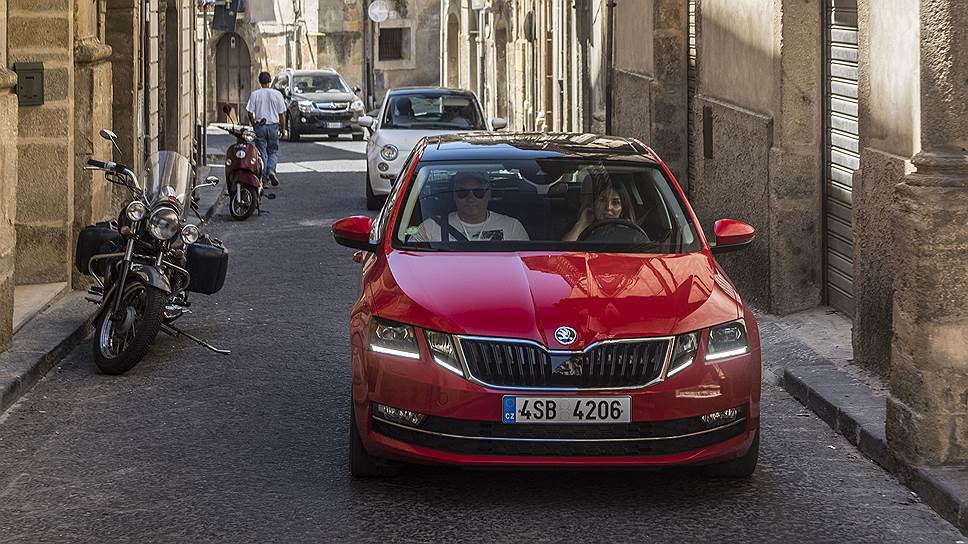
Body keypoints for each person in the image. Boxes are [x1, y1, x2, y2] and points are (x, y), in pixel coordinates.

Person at [412, 173, 530, 242]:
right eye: (462, 192)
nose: (471, 198)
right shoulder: (430, 227)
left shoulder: (512, 226)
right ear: (454, 195)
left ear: (488, 194)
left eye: (478, 192)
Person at [563, 177, 637, 241]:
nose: (608, 207)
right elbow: (564, 252)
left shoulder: (630, 234)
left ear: (622, 209)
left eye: (615, 203)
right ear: (594, 203)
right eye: (602, 200)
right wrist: (582, 223)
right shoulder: (580, 226)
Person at [246, 71, 286, 187]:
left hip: (260, 126)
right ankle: (271, 170)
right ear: (269, 81)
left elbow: (249, 111)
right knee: (273, 151)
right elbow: (282, 114)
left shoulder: (255, 94)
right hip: (273, 126)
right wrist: (283, 129)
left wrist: (254, 124)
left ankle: (263, 179)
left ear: (260, 82)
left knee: (262, 153)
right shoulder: (277, 94)